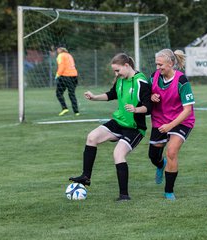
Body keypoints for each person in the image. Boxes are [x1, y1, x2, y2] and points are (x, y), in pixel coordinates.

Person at [69, 53, 152, 201]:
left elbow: (149, 107)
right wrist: (94, 97)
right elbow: (111, 94)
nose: (116, 74)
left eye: (117, 70)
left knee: (118, 154)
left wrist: (136, 109)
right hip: (118, 122)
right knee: (92, 137)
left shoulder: (141, 82)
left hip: (135, 128)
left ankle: (124, 195)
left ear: (127, 66)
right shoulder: (120, 80)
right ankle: (85, 177)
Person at [148, 49, 195, 200]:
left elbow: (187, 110)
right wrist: (150, 95)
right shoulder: (154, 76)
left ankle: (169, 191)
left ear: (171, 64)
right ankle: (161, 165)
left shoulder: (182, 81)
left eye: (160, 65)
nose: (157, 68)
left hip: (181, 120)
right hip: (159, 120)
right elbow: (144, 94)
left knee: (172, 151)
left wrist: (170, 126)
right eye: (156, 64)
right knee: (153, 156)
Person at [55, 45, 80, 116]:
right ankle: (76, 112)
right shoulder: (69, 55)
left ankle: (64, 108)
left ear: (59, 50)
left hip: (65, 76)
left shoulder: (61, 55)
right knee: (71, 93)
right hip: (74, 76)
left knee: (59, 93)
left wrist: (58, 74)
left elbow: (61, 66)